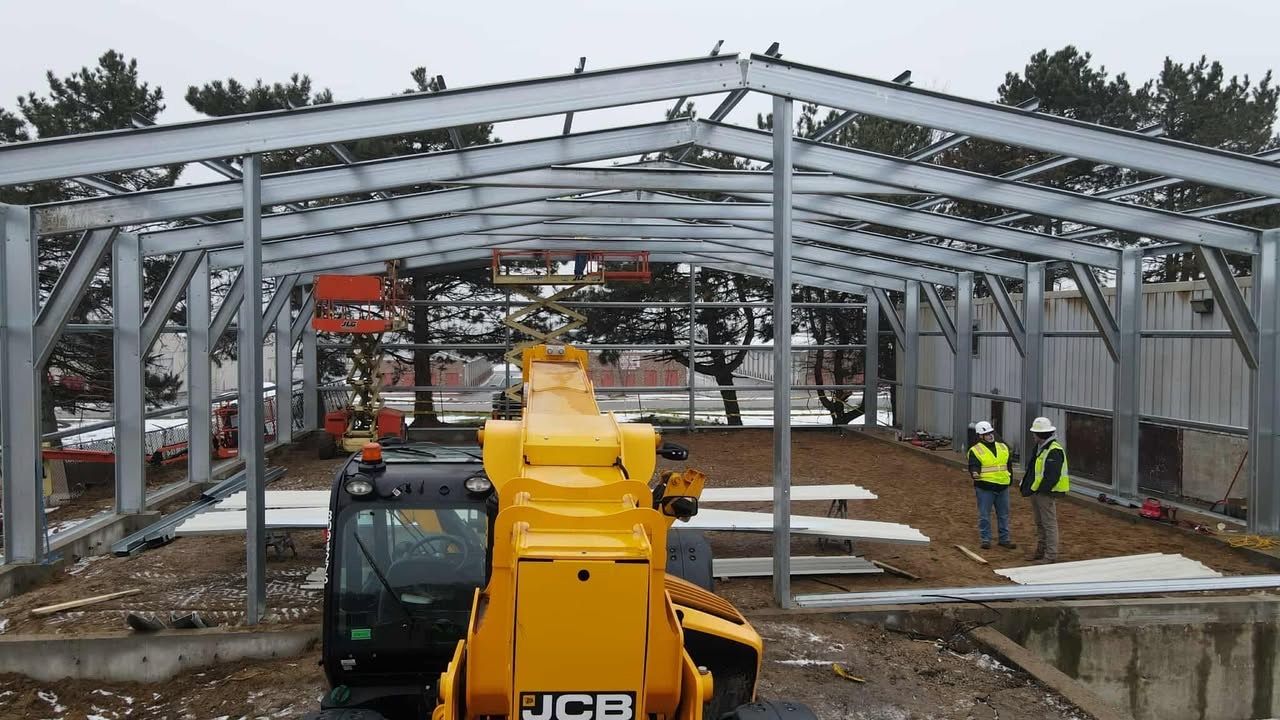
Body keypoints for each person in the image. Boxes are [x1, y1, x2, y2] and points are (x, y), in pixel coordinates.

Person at [1020, 416, 1070, 563]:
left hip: (1046, 492)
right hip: (1038, 491)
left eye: (1034, 433)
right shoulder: (1040, 448)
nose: (1033, 435)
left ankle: (1050, 555)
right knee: (1040, 522)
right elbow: (1033, 469)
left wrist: (1038, 489)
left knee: (1048, 524)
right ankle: (1041, 551)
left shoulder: (1054, 450)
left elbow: (1051, 477)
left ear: (1039, 434)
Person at [967, 420, 1016, 551]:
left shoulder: (1003, 447)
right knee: (984, 515)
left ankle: (1004, 539)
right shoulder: (975, 450)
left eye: (990, 433)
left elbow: (1008, 465)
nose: (990, 436)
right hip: (985, 487)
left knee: (1003, 515)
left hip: (1002, 487)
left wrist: (1010, 478)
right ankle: (985, 540)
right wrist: (974, 472)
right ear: (980, 436)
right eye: (987, 434)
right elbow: (973, 464)